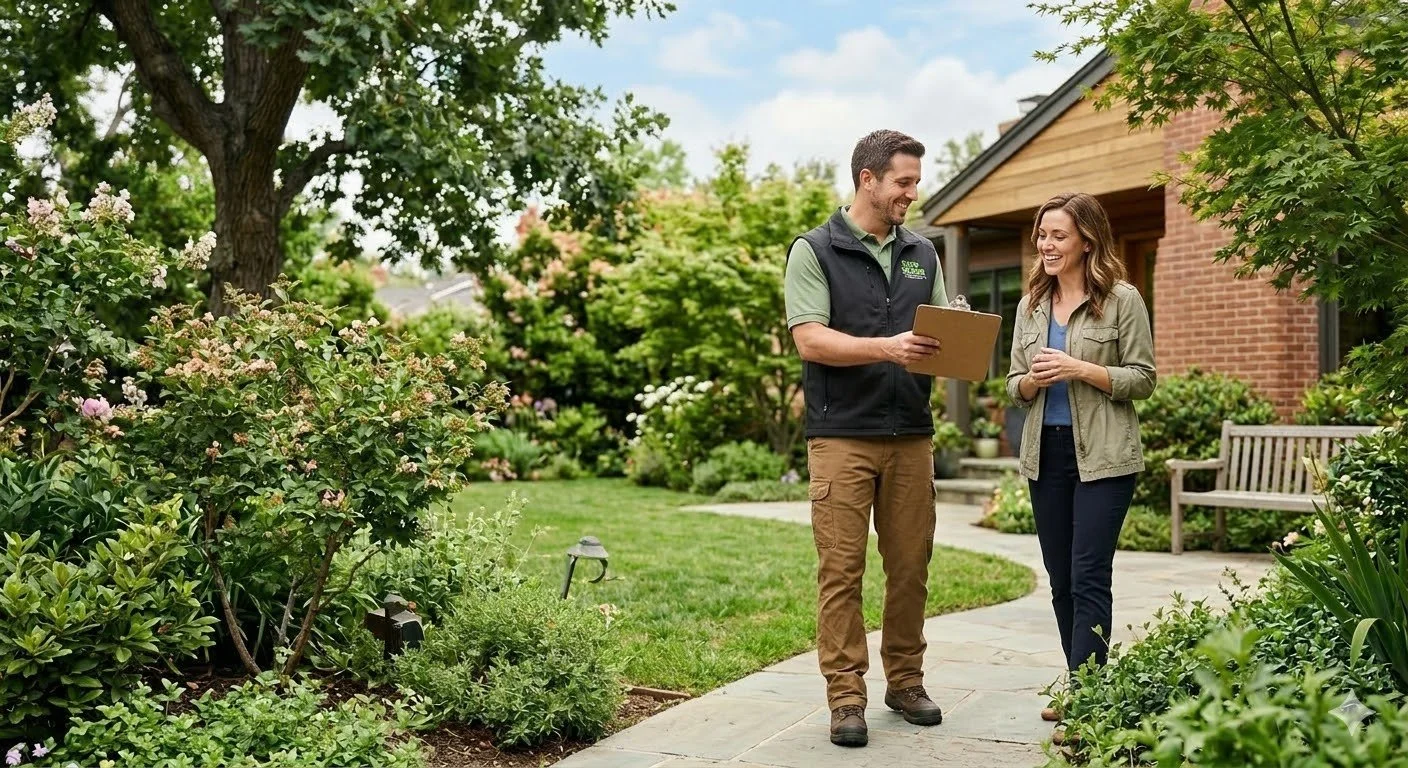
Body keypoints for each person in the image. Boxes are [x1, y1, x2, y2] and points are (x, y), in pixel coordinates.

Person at [784, 129, 948, 748]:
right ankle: (846, 696)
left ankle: (905, 682)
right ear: (868, 180)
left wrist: (955, 340)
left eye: (915, 181)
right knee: (842, 570)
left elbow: (936, 336)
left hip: (910, 433)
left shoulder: (923, 254)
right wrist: (887, 347)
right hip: (842, 436)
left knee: (910, 567)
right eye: (903, 181)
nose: (912, 192)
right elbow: (810, 339)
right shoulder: (814, 250)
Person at [1004, 192, 1156, 737]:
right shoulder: (1030, 306)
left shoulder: (1121, 300)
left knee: (1089, 573)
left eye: (1058, 235)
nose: (1046, 245)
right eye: (1041, 235)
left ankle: (1089, 698)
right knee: (1061, 577)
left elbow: (1142, 377)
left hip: (1106, 458)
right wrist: (1031, 381)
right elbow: (1013, 384)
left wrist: (1080, 368)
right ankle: (1082, 683)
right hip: (1045, 454)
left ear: (1086, 239)